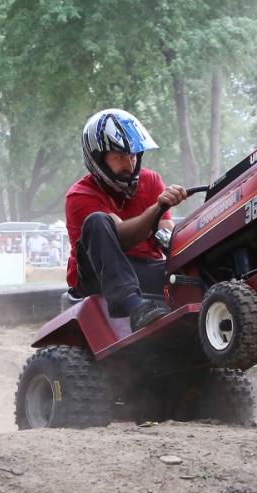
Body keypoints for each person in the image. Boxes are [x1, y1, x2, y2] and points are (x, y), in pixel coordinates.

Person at [65, 109, 188, 332]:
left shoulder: (151, 180)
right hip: (97, 275)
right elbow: (121, 238)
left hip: (142, 269)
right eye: (120, 157)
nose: (130, 165)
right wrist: (158, 207)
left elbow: (167, 235)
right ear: (98, 161)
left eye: (133, 155)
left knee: (191, 269)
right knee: (97, 221)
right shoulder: (80, 196)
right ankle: (134, 306)